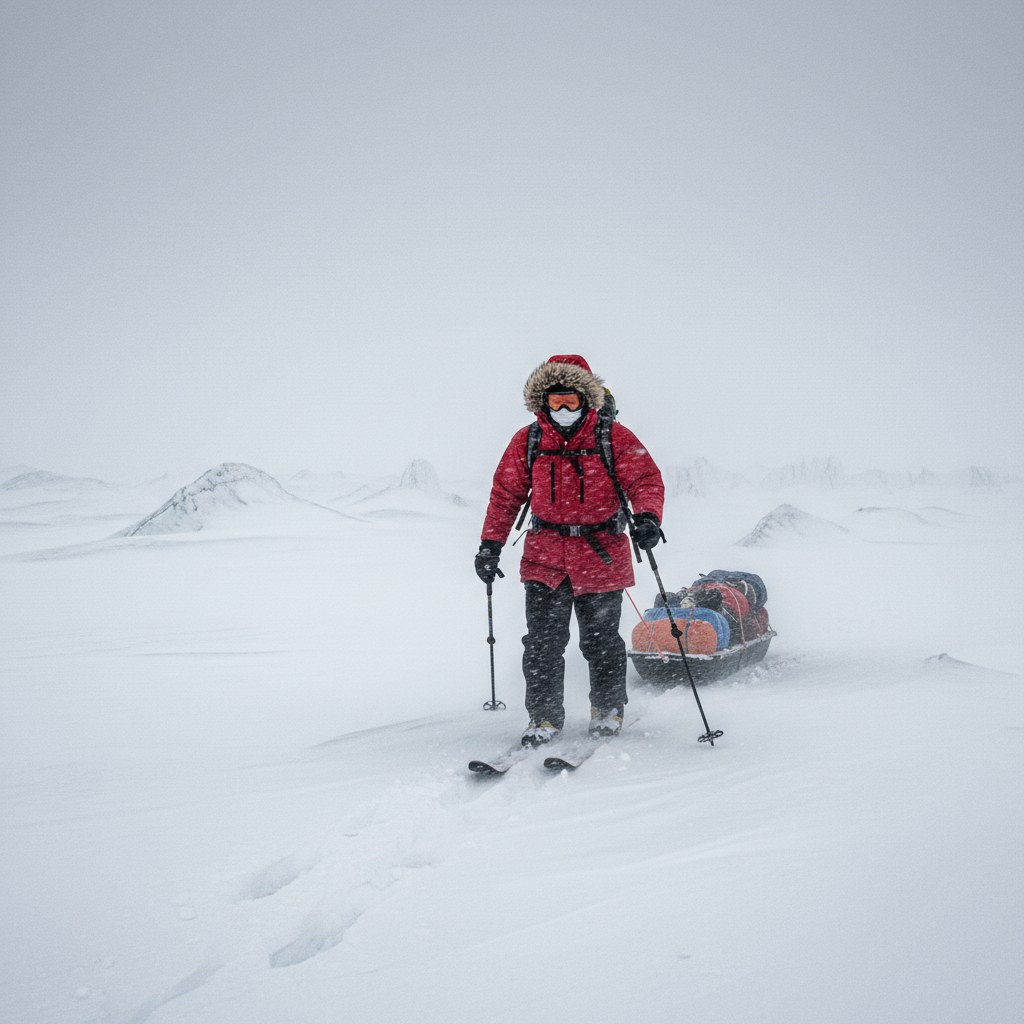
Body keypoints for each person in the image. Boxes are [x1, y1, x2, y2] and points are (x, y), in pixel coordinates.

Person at [475, 355, 665, 747]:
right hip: (545, 556)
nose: (562, 409)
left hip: (601, 555)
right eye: (554, 401)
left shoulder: (612, 436)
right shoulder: (528, 441)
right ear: (542, 401)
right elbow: (505, 494)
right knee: (542, 643)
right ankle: (543, 718)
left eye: (571, 401)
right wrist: (489, 545)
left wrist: (648, 517)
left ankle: (608, 710)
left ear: (586, 399)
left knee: (600, 641)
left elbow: (645, 477)